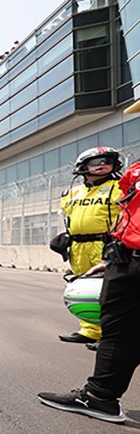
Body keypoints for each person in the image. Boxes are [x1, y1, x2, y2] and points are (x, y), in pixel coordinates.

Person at [37, 156, 140, 424]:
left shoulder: (117, 182)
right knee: (121, 329)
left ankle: (100, 396)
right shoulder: (134, 170)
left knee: (121, 329)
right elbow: (129, 211)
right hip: (124, 253)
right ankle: (100, 396)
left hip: (123, 253)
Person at [56, 147, 123, 348]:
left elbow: (125, 216)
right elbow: (69, 216)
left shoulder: (120, 187)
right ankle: (90, 331)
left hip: (107, 244)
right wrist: (65, 237)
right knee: (84, 290)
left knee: (112, 291)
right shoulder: (72, 192)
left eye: (107, 161)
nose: (102, 165)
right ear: (83, 167)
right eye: (96, 162)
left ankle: (111, 335)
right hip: (78, 247)